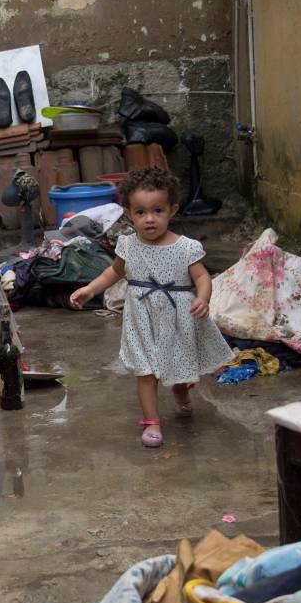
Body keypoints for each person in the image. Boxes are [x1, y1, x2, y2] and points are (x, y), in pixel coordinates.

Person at [69, 167, 233, 447]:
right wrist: (90, 289)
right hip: (140, 317)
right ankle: (151, 421)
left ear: (173, 209)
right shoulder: (128, 245)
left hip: (178, 316)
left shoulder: (186, 247)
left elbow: (202, 276)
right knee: (145, 370)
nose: (149, 219)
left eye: (157, 211)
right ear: (129, 213)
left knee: (178, 364)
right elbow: (114, 273)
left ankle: (181, 389)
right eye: (141, 212)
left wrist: (203, 298)